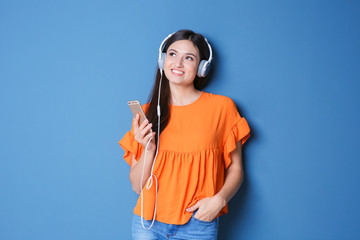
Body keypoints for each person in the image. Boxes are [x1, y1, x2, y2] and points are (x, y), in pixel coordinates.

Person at [119, 29, 250, 240]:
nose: (178, 63)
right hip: (148, 223)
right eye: (172, 54)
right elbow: (136, 186)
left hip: (198, 225)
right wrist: (149, 148)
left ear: (201, 68)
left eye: (188, 58)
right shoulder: (147, 113)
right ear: (162, 61)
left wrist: (220, 200)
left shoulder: (222, 108)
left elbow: (236, 168)